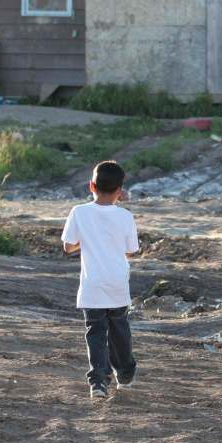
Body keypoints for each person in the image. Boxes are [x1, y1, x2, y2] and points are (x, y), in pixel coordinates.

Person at [62, 160, 140, 399]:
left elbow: (68, 247)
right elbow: (131, 251)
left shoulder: (79, 212)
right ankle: (125, 374)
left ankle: (98, 381)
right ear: (120, 190)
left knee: (95, 332)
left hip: (92, 284)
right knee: (119, 330)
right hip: (116, 282)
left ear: (91, 186)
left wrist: (86, 241)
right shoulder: (125, 216)